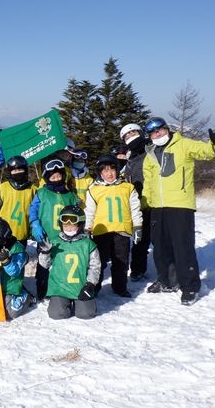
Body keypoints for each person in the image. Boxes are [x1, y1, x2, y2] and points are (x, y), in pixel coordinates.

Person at [142, 117, 215, 305]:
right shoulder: (150, 154)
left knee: (182, 247)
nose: (157, 134)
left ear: (167, 129)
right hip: (157, 207)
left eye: (160, 130)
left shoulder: (183, 144)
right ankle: (167, 281)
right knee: (160, 248)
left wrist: (214, 145)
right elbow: (148, 182)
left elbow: (205, 152)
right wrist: (145, 204)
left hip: (180, 205)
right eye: (153, 133)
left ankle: (190, 287)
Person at [84, 154, 142, 298]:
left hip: (121, 230)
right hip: (101, 231)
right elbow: (90, 211)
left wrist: (138, 226)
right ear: (100, 173)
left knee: (121, 261)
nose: (109, 173)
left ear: (117, 170)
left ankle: (120, 287)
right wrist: (87, 228)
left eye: (112, 169)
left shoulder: (128, 188)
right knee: (99, 261)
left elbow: (135, 208)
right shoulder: (94, 189)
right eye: (105, 171)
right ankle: (95, 287)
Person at [37, 204, 101, 320]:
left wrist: (90, 284)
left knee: (86, 314)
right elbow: (44, 265)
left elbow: (95, 267)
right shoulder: (55, 242)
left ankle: (80, 304)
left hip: (80, 287)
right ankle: (62, 302)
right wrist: (45, 252)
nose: (68, 228)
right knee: (56, 314)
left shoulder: (88, 244)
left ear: (81, 224)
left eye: (72, 225)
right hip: (60, 288)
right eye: (65, 225)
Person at [29, 158, 81, 299]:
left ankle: (60, 288)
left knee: (61, 263)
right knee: (43, 264)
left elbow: (77, 213)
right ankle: (42, 290)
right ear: (47, 178)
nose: (56, 178)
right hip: (45, 235)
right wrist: (35, 223)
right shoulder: (41, 193)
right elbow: (33, 209)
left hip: (65, 237)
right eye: (52, 176)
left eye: (58, 176)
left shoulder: (70, 195)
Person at [119, 123, 152, 281]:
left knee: (160, 239)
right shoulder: (129, 158)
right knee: (141, 240)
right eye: (127, 135)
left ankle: (169, 273)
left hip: (155, 202)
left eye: (133, 132)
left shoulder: (151, 149)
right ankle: (138, 270)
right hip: (138, 204)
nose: (131, 136)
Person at [0, 218, 32, 320]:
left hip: (11, 287)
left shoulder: (18, 250)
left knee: (9, 314)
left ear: (5, 237)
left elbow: (14, 272)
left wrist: (6, 261)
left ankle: (25, 296)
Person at [0, 155, 37, 246]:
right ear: (10, 172)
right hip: (3, 234)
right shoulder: (3, 187)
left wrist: (33, 230)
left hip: (22, 234)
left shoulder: (33, 190)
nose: (17, 172)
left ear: (25, 171)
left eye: (20, 170)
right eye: (14, 170)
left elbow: (36, 211)